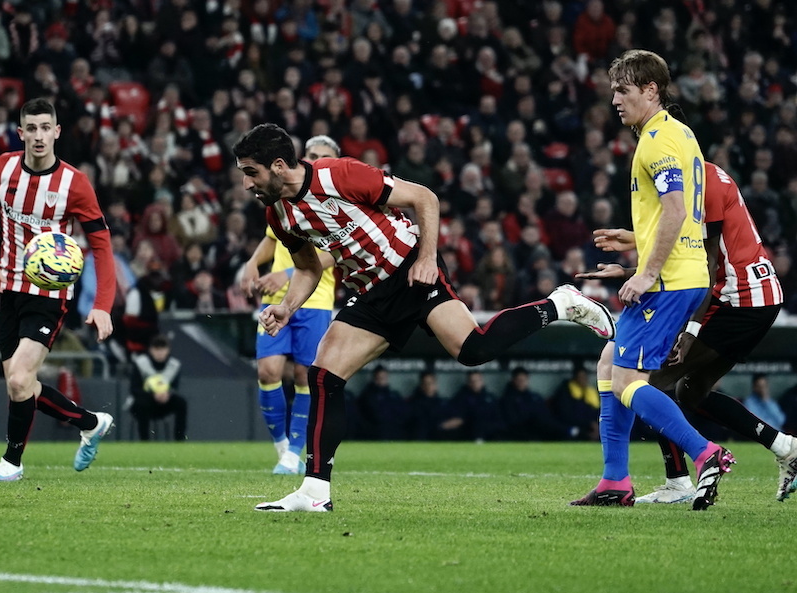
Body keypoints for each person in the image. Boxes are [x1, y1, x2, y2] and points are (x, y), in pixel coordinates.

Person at [233, 123, 615, 512]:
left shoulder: (338, 173)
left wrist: (428, 258)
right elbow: (310, 269)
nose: (246, 184)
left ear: (278, 165)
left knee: (473, 350)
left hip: (410, 267)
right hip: (371, 294)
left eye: (251, 172)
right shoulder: (279, 214)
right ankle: (315, 492)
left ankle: (559, 305)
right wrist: (286, 307)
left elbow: (425, 198)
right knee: (323, 376)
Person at [570, 50, 734, 512]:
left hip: (669, 280)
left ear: (650, 90)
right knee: (609, 365)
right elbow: (676, 215)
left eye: (623, 90)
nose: (615, 100)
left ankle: (707, 454)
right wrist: (635, 238)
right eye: (613, 91)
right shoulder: (680, 133)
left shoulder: (657, 141)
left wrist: (644, 273)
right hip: (685, 272)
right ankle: (615, 481)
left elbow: (677, 210)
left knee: (626, 378)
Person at [581, 160, 795, 503]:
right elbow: (688, 247)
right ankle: (786, 447)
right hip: (756, 296)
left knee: (650, 380)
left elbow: (704, 265)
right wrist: (631, 260)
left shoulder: (702, 185)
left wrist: (691, 330)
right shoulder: (705, 175)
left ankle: (678, 481)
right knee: (691, 391)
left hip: (737, 299)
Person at [0, 98, 117, 481]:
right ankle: (90, 423)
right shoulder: (1, 169)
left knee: (20, 380)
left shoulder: (75, 183)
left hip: (49, 294)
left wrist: (103, 304)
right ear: (20, 133)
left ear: (57, 132)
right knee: (18, 385)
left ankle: (11, 464)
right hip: (8, 288)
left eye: (45, 128)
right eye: (31, 128)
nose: (39, 136)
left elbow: (102, 245)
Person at [240, 134, 339, 474]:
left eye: (325, 156)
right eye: (312, 154)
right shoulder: (282, 199)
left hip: (316, 299)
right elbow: (271, 239)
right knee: (267, 370)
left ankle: (293, 452)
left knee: (303, 375)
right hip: (274, 298)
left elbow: (333, 253)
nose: (317, 159)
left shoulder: (333, 202)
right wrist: (253, 263)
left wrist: (284, 274)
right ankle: (283, 448)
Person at [128, 333, 187, 441]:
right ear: (151, 350)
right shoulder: (141, 363)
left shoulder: (174, 365)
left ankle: (180, 440)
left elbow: (175, 387)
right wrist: (152, 395)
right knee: (142, 404)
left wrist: (167, 395)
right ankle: (144, 441)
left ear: (168, 350)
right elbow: (134, 389)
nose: (160, 352)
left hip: (164, 402)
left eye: (162, 349)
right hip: (143, 402)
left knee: (181, 402)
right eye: (156, 349)